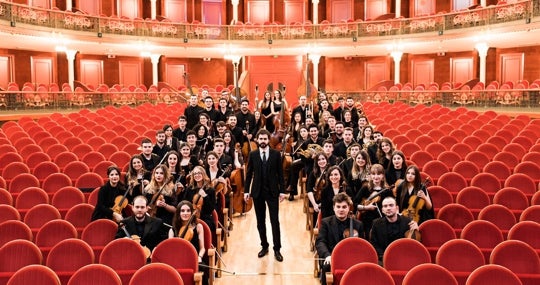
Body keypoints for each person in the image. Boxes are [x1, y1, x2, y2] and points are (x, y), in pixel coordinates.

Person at [244, 129, 285, 262]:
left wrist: (282, 191)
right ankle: (264, 246)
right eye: (260, 139)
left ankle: (277, 249)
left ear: (268, 140)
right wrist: (246, 191)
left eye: (265, 139)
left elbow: (280, 174)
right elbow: (249, 174)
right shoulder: (253, 154)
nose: (262, 141)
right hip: (257, 192)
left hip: (273, 192)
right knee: (260, 222)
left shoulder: (276, 154)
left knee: (275, 221)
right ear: (257, 140)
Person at [315, 192, 364, 285]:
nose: (341, 210)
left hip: (351, 259)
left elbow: (362, 246)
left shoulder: (358, 225)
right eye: (338, 207)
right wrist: (327, 255)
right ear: (334, 208)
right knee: (326, 267)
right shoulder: (326, 223)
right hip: (331, 258)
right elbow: (320, 242)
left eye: (344, 207)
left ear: (349, 208)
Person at [370, 196, 419, 263]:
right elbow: (374, 244)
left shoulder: (407, 222)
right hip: (384, 259)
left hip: (403, 258)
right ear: (382, 210)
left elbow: (413, 244)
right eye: (385, 206)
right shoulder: (376, 223)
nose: (388, 208)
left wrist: (416, 231)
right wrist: (384, 256)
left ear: (397, 208)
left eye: (391, 205)